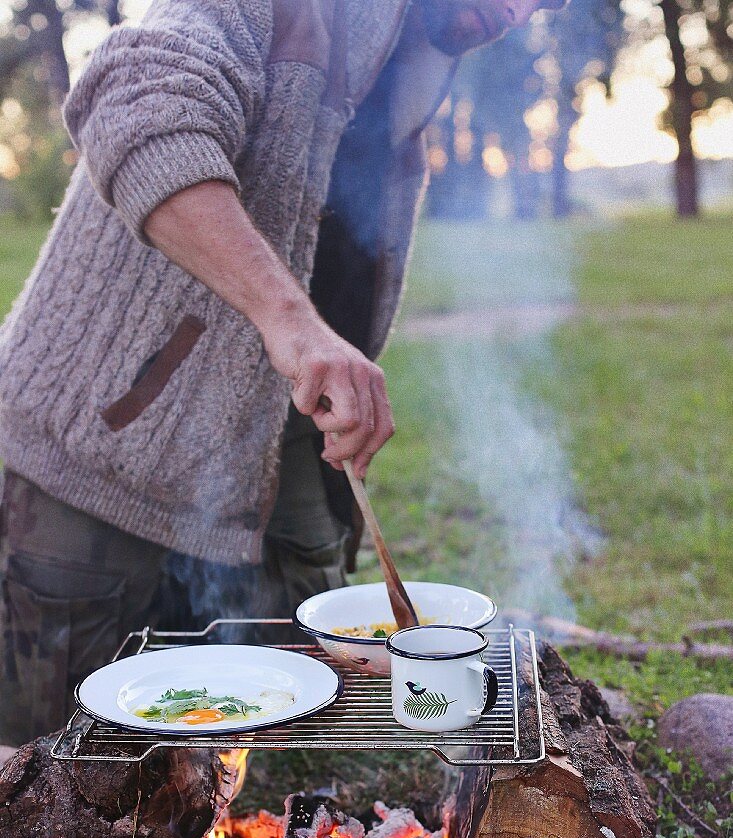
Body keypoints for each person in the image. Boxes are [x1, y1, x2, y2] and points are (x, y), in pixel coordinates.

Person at [0, 0, 560, 751]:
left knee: (271, 714)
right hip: (104, 432)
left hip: (275, 439)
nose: (519, 11)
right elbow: (132, 99)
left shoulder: (424, 64)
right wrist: (288, 319)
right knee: (49, 754)